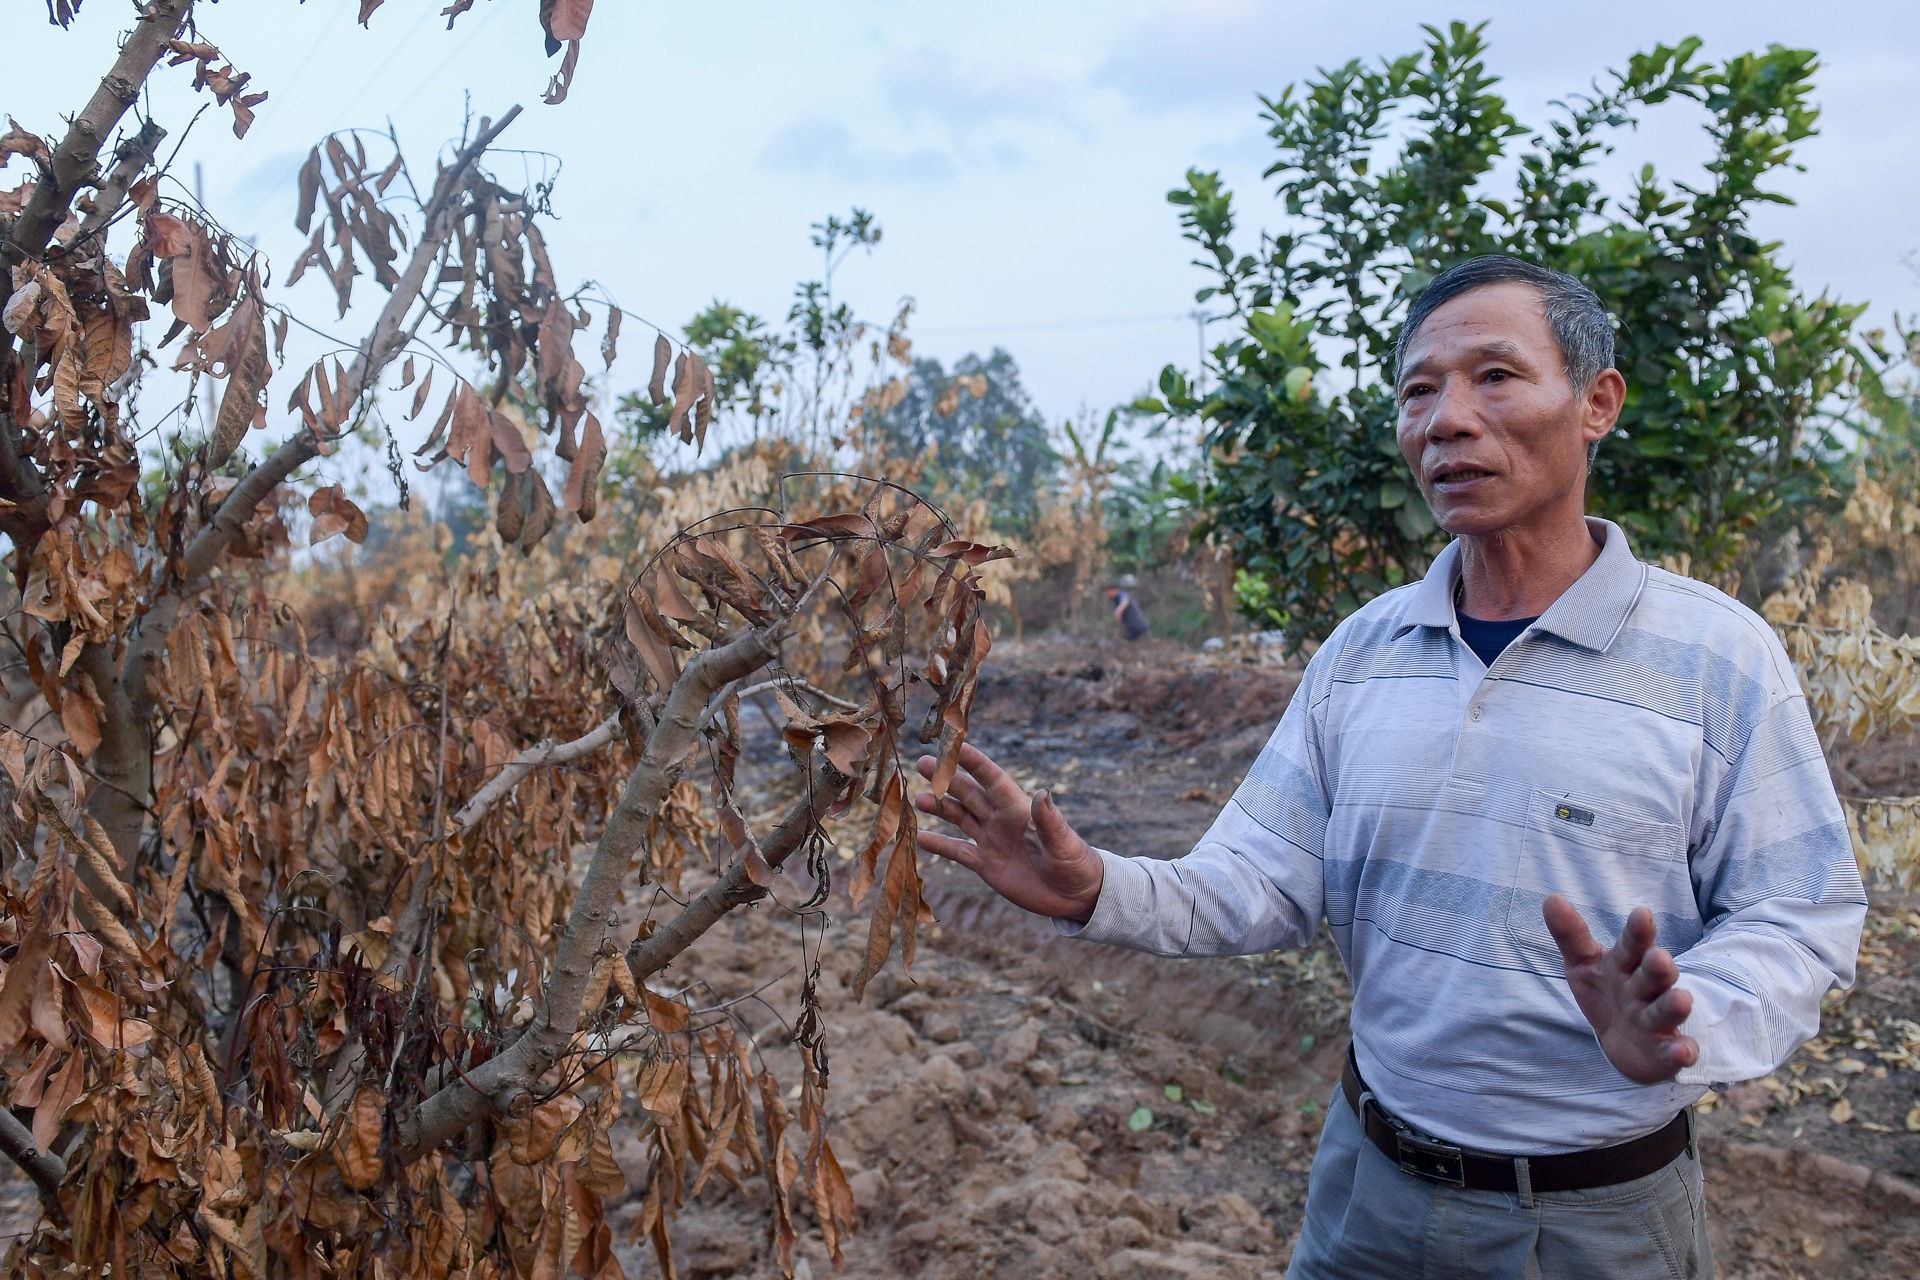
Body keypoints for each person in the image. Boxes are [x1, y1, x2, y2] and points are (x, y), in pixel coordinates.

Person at [912, 256, 1866, 1279]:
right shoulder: (1365, 652)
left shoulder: (1717, 657)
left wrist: (1686, 1024)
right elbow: (1259, 881)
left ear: (1597, 403)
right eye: (1420, 389)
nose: (1447, 418)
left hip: (1594, 1223)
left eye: (1494, 376)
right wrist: (1095, 884)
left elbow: (1799, 912)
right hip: (1368, 1192)